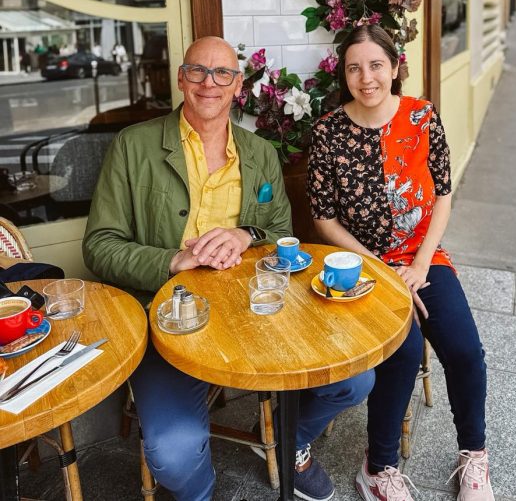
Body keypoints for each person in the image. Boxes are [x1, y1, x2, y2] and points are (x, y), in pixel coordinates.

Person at [83, 36, 373, 501]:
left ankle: (290, 435)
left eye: (222, 73)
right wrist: (173, 260)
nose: (209, 83)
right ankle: (201, 493)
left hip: (256, 307)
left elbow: (279, 231)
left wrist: (246, 235)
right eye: (197, 71)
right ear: (181, 79)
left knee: (355, 381)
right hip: (173, 316)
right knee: (173, 454)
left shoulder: (259, 153)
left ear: (238, 84)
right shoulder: (133, 147)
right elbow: (99, 246)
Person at [308, 25, 494, 501]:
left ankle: (474, 457)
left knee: (466, 351)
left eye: (375, 65)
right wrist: (384, 272)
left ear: (394, 67)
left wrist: (420, 266)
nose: (365, 77)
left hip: (424, 258)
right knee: (404, 351)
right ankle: (378, 467)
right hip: (363, 268)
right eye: (354, 67)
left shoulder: (422, 117)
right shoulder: (329, 132)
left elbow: (444, 195)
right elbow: (324, 220)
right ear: (343, 74)